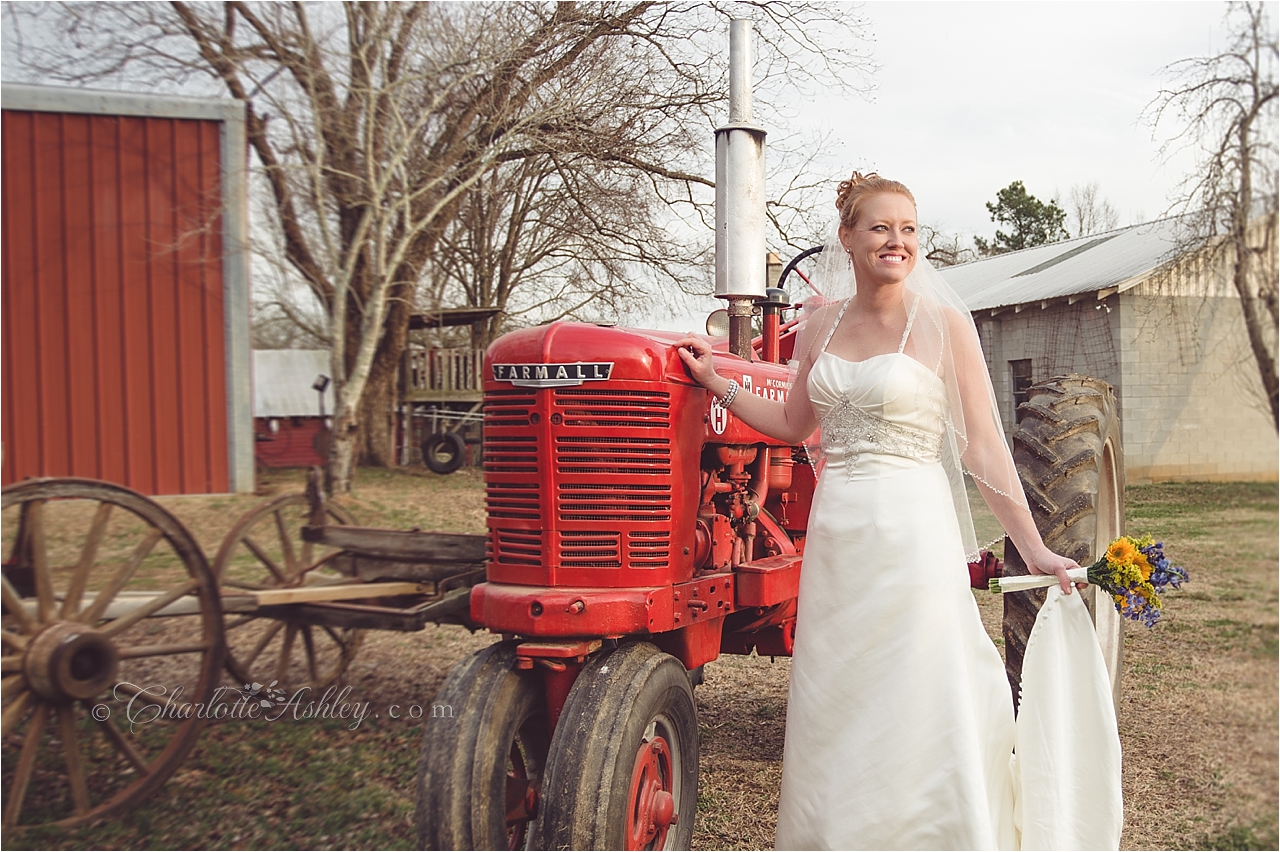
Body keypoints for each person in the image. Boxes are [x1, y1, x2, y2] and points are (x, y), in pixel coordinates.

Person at [675, 172, 1110, 850]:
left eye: (908, 229)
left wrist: (1035, 546)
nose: (896, 241)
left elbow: (987, 452)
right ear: (847, 238)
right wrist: (717, 383)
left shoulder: (941, 324)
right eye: (880, 227)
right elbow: (792, 425)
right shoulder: (819, 326)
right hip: (839, 537)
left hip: (913, 531)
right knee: (840, 692)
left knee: (917, 683)